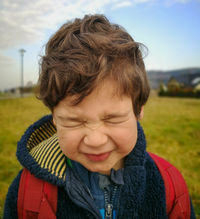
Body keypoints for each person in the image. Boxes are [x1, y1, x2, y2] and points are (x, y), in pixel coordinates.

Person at [3, 14, 196, 218]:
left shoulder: (170, 187)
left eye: (112, 119)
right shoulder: (26, 192)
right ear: (54, 118)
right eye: (74, 121)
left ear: (138, 111)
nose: (95, 141)